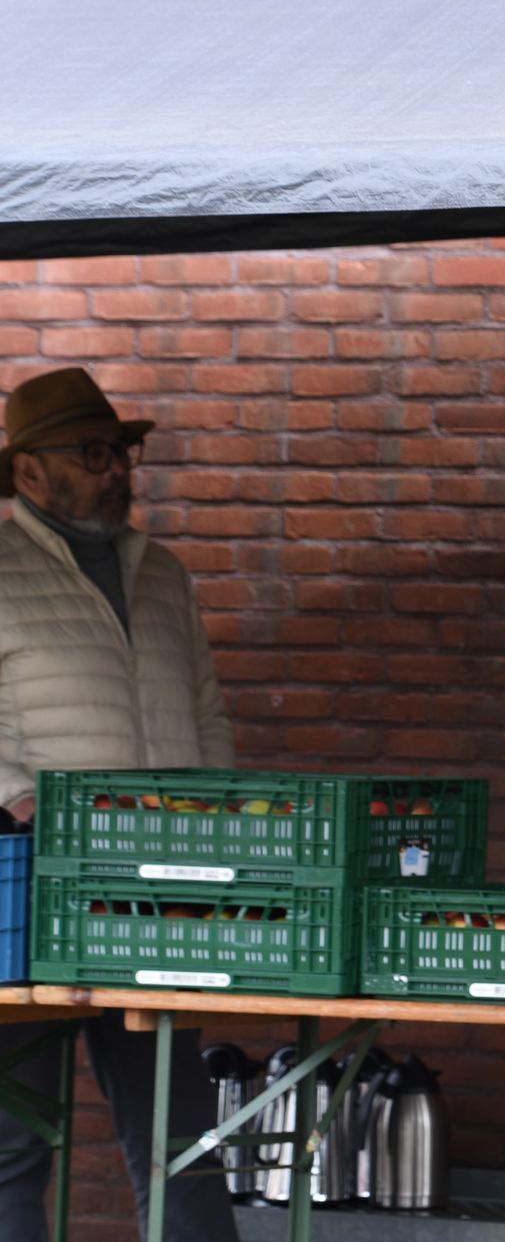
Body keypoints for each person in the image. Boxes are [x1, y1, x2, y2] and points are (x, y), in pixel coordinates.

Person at [0, 367, 239, 1242]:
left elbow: (207, 713)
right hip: (29, 884)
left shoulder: (164, 572)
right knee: (12, 1140)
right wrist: (21, 801)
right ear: (29, 472)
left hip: (162, 886)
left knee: (182, 1136)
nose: (117, 470)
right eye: (92, 453)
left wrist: (216, 822)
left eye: (122, 452)